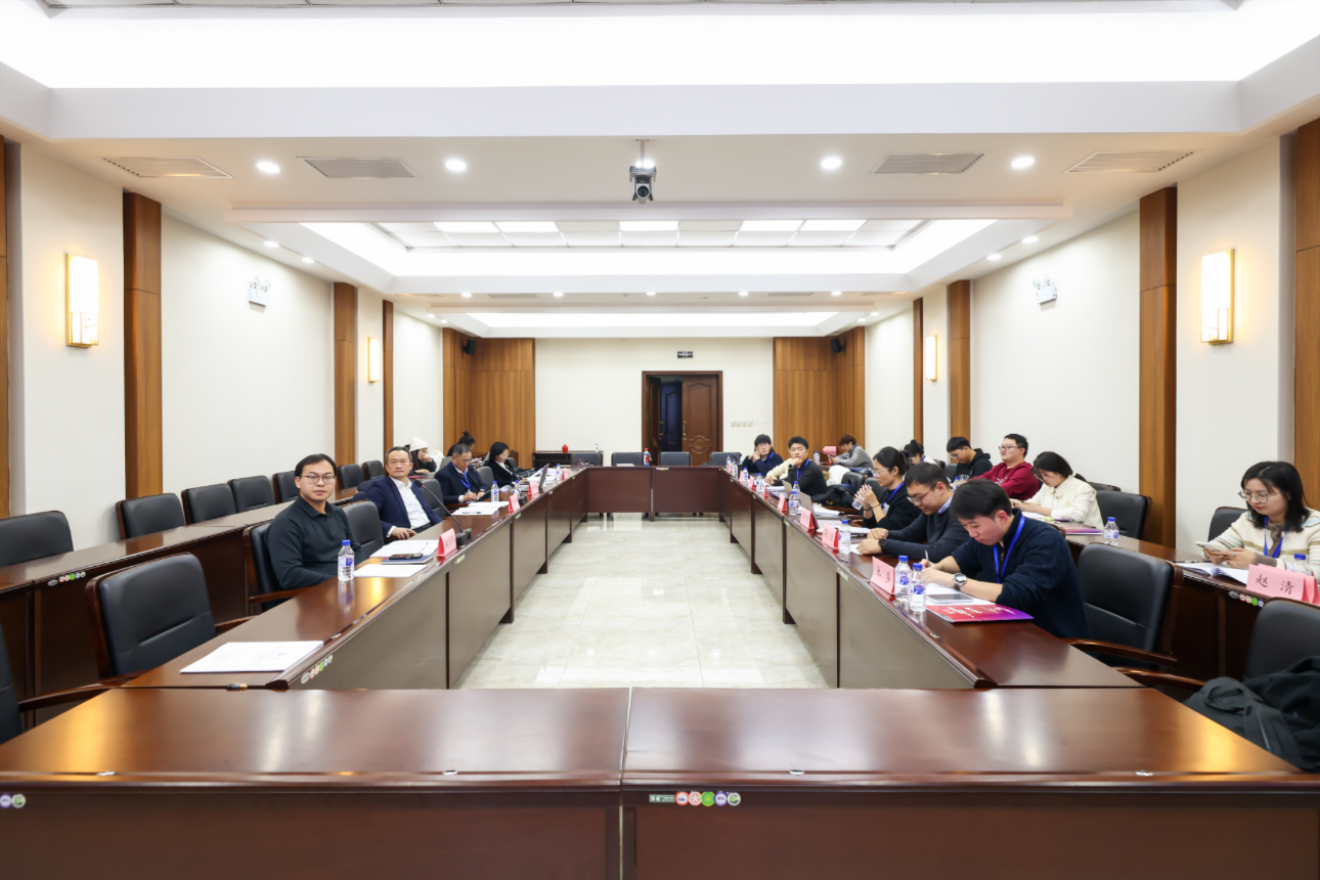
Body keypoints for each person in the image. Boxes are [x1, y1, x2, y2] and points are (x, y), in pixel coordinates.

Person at [925, 481, 1091, 639]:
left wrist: (954, 581)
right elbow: (960, 560)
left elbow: (1014, 595)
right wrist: (938, 567)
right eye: (965, 526)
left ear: (1002, 517)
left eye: (974, 526)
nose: (971, 533)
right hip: (1008, 629)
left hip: (1054, 641)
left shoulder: (1045, 540)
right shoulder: (988, 536)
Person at [1203, 461, 1320, 577]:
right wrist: (1214, 553)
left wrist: (1257, 561)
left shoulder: (1315, 525)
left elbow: (1317, 574)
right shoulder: (1249, 518)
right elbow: (1217, 545)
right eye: (1248, 494)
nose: (1254, 501)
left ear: (1289, 493)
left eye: (1262, 495)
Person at [267, 453, 364, 591]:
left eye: (327, 477)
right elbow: (290, 576)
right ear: (298, 482)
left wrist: (358, 574)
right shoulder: (285, 523)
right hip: (315, 595)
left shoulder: (338, 513)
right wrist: (339, 581)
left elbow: (355, 549)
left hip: (345, 586)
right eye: (312, 477)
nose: (320, 483)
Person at [857, 462, 968, 563]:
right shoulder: (932, 507)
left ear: (940, 488)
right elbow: (911, 533)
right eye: (912, 499)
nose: (916, 504)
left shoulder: (963, 510)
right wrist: (885, 534)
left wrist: (884, 545)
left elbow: (938, 552)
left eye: (919, 497)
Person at [361, 446, 446, 541]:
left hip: (430, 530)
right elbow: (368, 519)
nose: (398, 466)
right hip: (410, 536)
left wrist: (444, 528)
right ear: (387, 467)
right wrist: (392, 529)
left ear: (410, 466)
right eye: (393, 462)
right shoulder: (380, 487)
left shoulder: (415, 486)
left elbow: (430, 513)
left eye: (403, 461)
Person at [1013, 451, 1102, 528]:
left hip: (1089, 537)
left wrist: (1039, 509)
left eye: (1045, 475)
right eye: (1040, 476)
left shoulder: (1084, 489)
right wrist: (1019, 505)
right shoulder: (1047, 486)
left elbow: (1078, 516)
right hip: (1057, 532)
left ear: (1059, 472)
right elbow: (1034, 503)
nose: (1043, 479)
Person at [855, 447, 920, 531]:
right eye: (874, 471)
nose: (875, 475)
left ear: (895, 470)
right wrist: (867, 506)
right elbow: (872, 526)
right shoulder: (887, 492)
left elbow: (889, 531)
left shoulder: (907, 497)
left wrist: (874, 503)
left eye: (878, 471)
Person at [973, 434, 1040, 501]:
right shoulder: (999, 467)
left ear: (1021, 451)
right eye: (1002, 447)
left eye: (1008, 447)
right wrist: (967, 485)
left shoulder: (1026, 471)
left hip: (1013, 507)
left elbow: (1002, 491)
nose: (1003, 450)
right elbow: (979, 480)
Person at [765, 436, 829, 500]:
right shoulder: (798, 464)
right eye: (793, 450)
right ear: (790, 452)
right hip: (805, 500)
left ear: (807, 452)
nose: (796, 452)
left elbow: (794, 487)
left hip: (818, 503)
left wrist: (792, 466)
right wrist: (774, 482)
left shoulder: (812, 468)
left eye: (800, 449)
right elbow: (788, 481)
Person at [437, 443, 490, 508]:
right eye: (464, 461)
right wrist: (463, 498)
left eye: (469, 460)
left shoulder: (470, 468)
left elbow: (482, 484)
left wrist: (482, 491)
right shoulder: (443, 474)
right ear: (454, 458)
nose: (467, 464)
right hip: (459, 508)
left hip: (477, 504)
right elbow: (444, 498)